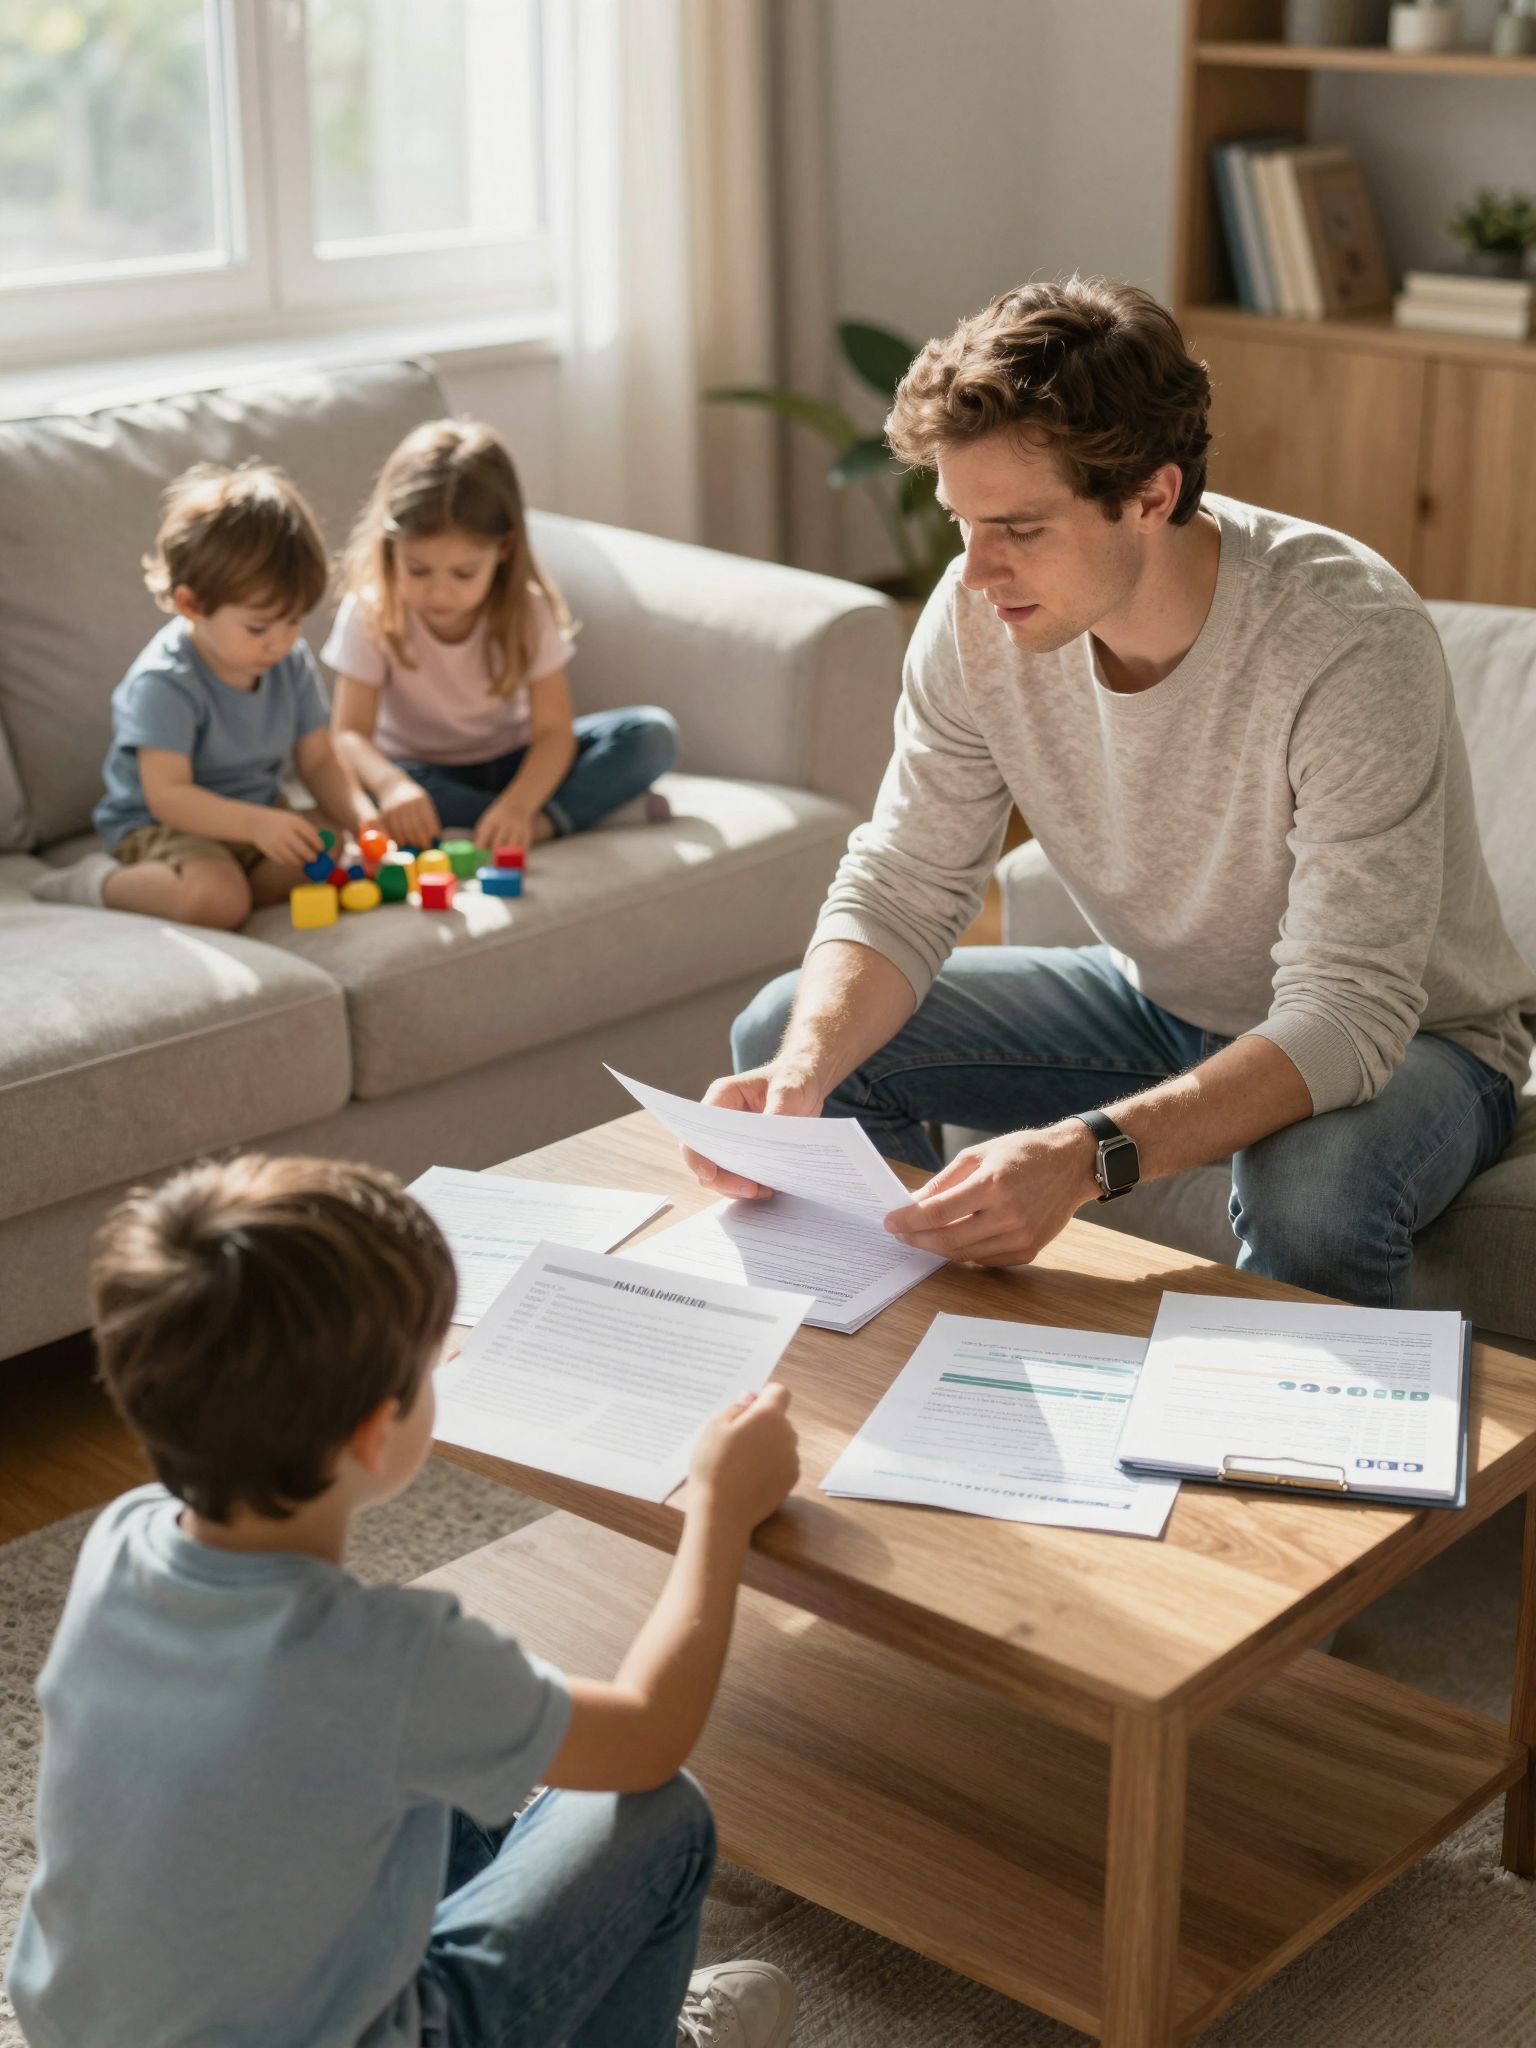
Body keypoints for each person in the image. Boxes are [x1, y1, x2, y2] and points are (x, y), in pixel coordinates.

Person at [688, 277, 1535, 1309]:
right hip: (1161, 1002)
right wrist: (801, 1071)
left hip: (1418, 1038)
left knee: (1309, 1187)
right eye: (962, 522)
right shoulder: (978, 618)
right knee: (791, 1035)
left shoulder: (1346, 636)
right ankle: (924, 1374)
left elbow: (1349, 1011)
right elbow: (905, 884)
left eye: (1022, 528)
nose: (975, 572)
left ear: (1151, 495)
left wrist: (1088, 1153)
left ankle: (1297, 1459)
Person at [4, 1155, 800, 2048]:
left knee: (425, 1774)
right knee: (660, 1814)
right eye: (428, 1368)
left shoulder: (123, 1539)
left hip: (87, 2022)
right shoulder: (389, 1658)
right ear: (378, 1434)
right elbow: (649, 1738)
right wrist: (720, 1511)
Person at [32, 462, 366, 928]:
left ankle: (237, 881)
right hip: (168, 825)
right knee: (216, 901)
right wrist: (257, 825)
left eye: (295, 621)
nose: (282, 641)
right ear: (191, 605)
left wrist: (365, 820)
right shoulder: (165, 682)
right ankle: (92, 885)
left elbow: (319, 761)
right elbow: (169, 796)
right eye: (259, 626)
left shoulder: (289, 662)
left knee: (331, 845)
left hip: (256, 817)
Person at [325, 418, 679, 853]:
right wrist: (392, 785)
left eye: (463, 573)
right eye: (418, 570)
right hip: (423, 775)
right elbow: (349, 735)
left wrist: (519, 806)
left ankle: (525, 827)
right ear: (390, 545)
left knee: (650, 735)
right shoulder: (371, 613)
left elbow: (554, 733)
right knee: (400, 793)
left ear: (504, 549)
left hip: (520, 764)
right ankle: (570, 816)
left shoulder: (526, 611)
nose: (440, 591)